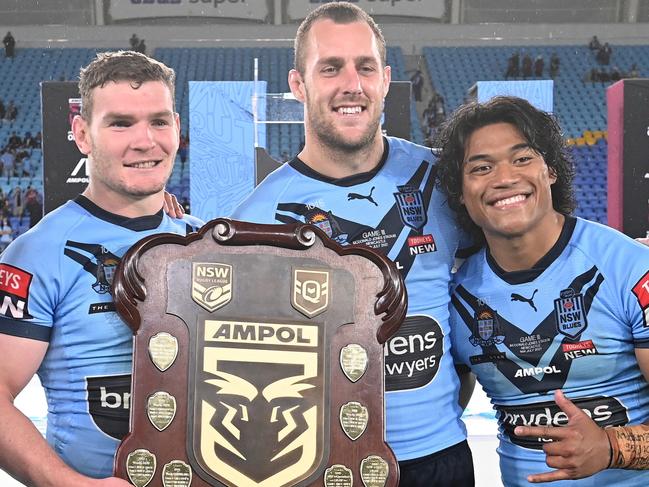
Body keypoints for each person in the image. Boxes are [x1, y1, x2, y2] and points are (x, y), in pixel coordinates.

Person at [231, 4, 475, 486]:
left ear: (384, 79)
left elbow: (531, 252)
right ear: (299, 85)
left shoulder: (444, 180)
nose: (352, 84)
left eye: (364, 67)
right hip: (318, 467)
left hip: (440, 458)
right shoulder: (258, 217)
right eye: (330, 67)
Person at [0, 50, 202, 486]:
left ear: (177, 129)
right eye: (120, 123)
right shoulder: (36, 254)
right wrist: (69, 484)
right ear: (82, 134)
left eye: (159, 121)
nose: (144, 140)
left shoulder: (208, 243)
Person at [435, 96, 649, 486]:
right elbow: (436, 422)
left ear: (550, 169)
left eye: (522, 159)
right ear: (461, 193)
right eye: (481, 168)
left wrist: (611, 446)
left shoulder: (630, 269)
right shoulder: (454, 299)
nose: (504, 178)